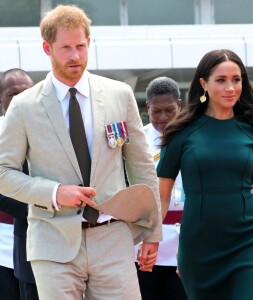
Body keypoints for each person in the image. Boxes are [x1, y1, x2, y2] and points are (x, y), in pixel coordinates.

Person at [0, 5, 162, 300]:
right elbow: (3, 173)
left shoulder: (119, 95)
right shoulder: (23, 106)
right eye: (66, 48)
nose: (75, 56)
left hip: (113, 236)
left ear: (89, 43)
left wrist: (152, 231)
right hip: (52, 240)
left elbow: (141, 168)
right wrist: (54, 192)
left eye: (81, 46)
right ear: (47, 48)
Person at [156, 49, 253, 300]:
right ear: (203, 84)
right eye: (221, 80)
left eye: (237, 79)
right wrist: (150, 240)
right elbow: (162, 196)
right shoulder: (180, 134)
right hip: (198, 249)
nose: (231, 87)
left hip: (248, 245)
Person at [135, 77, 187, 300]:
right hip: (146, 241)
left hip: (184, 241)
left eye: (169, 110)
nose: (163, 117)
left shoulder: (193, 138)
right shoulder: (137, 141)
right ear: (147, 108)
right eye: (156, 111)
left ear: (180, 105)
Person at [0, 68, 36, 300]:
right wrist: (33, 209)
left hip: (40, 236)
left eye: (27, 92)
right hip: (3, 236)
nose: (20, 99)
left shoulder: (49, 130)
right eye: (13, 93)